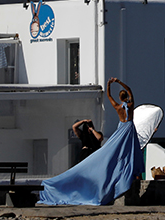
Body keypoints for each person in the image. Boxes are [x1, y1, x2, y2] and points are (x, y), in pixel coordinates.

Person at [38, 77, 145, 205]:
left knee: (118, 153)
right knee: (128, 152)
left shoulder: (118, 107)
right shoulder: (130, 105)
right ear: (126, 97)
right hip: (129, 130)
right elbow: (130, 90)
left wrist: (109, 84)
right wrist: (119, 82)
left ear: (120, 98)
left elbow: (109, 96)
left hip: (122, 130)